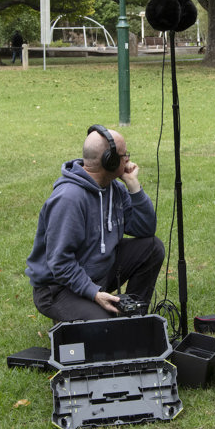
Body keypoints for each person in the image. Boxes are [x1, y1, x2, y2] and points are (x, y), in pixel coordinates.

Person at [26, 125, 165, 323]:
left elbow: (145, 229)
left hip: (99, 272)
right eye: (124, 155)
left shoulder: (114, 187)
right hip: (58, 289)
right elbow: (60, 263)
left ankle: (134, 316)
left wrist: (133, 185)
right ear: (109, 161)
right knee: (106, 330)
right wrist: (94, 293)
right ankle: (73, 314)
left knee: (152, 247)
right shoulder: (69, 199)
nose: (127, 160)